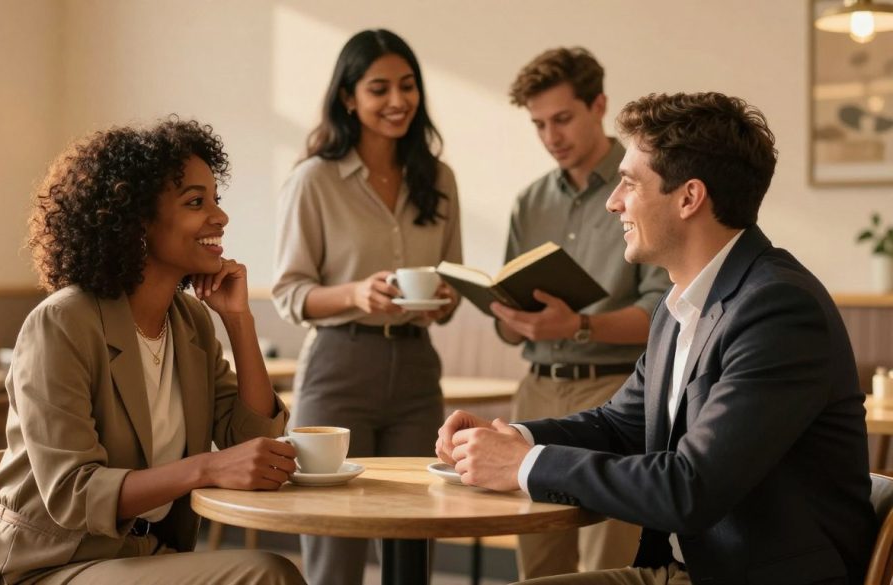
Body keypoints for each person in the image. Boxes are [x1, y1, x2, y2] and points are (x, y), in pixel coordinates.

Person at [437, 92, 877, 585]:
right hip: (679, 571)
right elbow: (619, 426)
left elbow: (690, 488)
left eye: (628, 183)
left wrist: (525, 464)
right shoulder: (681, 302)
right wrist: (515, 438)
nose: (613, 201)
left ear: (689, 197)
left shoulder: (777, 310)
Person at [0, 119, 305, 585]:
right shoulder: (62, 323)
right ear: (136, 221)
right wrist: (204, 468)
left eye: (216, 199)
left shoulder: (190, 322)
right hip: (50, 565)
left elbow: (250, 440)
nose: (220, 216)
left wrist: (239, 322)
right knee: (266, 575)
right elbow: (73, 493)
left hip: (143, 556)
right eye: (195, 201)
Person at [272, 29, 461, 585]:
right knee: (334, 546)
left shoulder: (440, 180)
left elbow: (449, 284)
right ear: (349, 98)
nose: (398, 100)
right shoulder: (314, 180)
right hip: (338, 369)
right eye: (379, 88)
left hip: (417, 370)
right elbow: (289, 292)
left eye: (408, 86)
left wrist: (443, 302)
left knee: (416, 536)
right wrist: (356, 293)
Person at [493, 47, 670, 578]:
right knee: (537, 563)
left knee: (606, 562)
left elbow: (663, 310)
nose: (552, 136)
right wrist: (508, 314)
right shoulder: (529, 201)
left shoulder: (643, 182)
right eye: (539, 124)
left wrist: (580, 324)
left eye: (563, 119)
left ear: (599, 105)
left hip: (617, 394)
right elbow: (507, 310)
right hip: (537, 389)